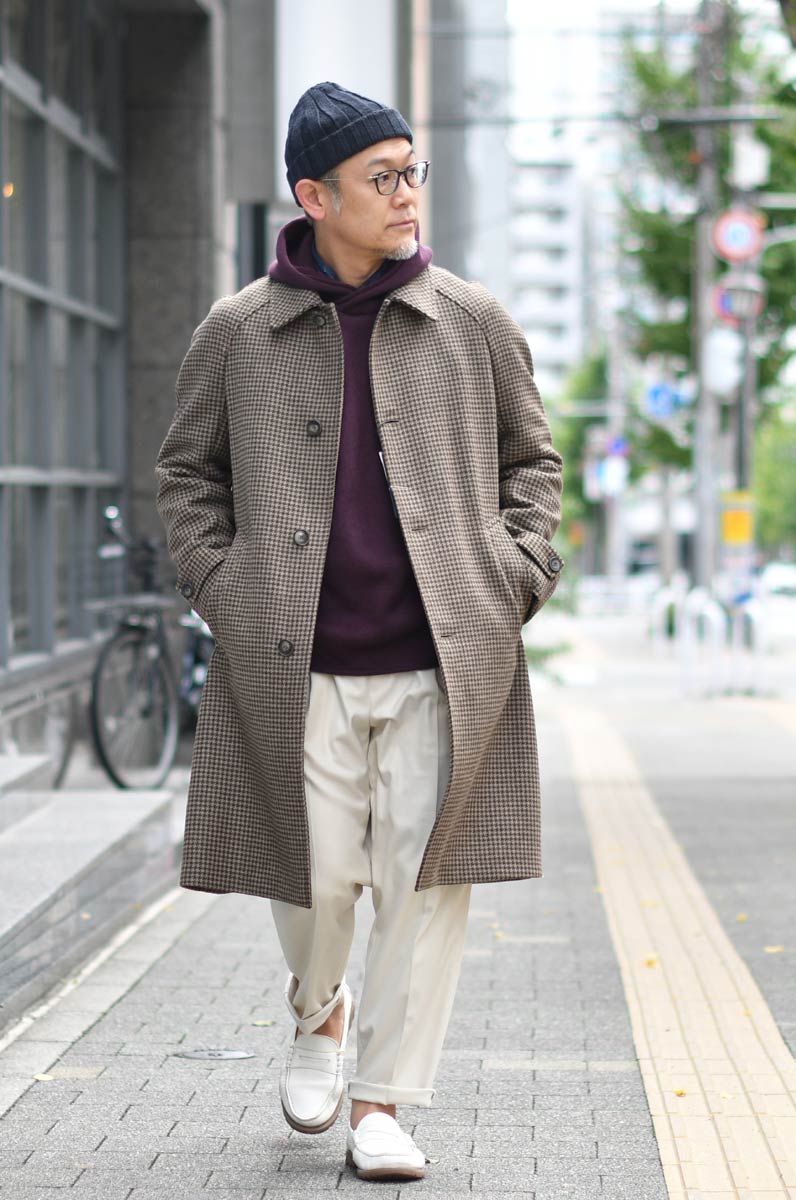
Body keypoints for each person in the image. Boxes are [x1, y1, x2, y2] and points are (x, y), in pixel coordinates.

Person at [155, 81, 563, 1182]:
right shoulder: (239, 330)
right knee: (316, 877)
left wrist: (514, 577)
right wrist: (225, 587)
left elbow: (534, 463)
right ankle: (319, 1009)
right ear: (314, 196)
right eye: (382, 177)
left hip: (443, 658)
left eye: (411, 171)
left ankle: (382, 1102)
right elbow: (187, 475)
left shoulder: (471, 320)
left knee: (424, 887)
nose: (406, 194)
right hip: (296, 664)